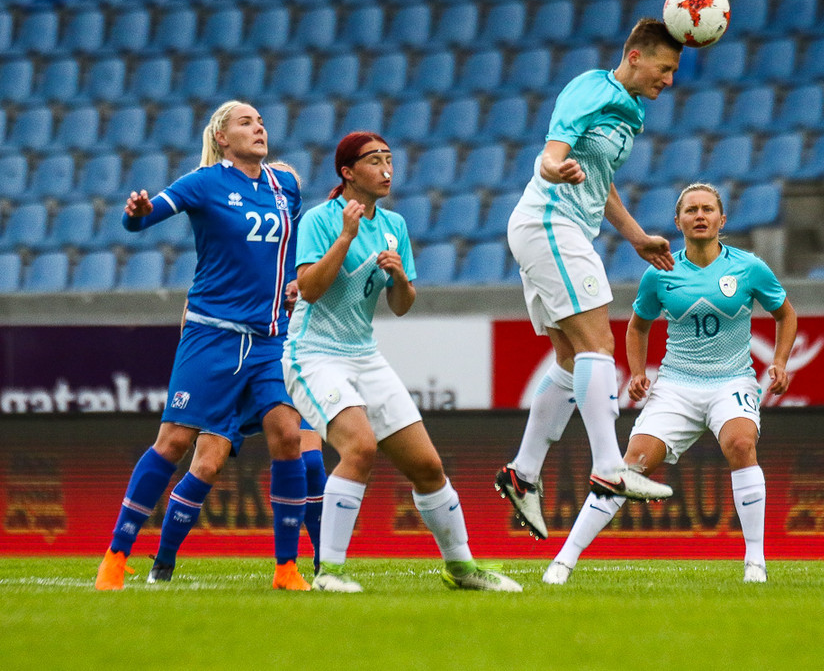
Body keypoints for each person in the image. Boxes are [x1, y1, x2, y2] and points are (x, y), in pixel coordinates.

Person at [282, 131, 522, 593]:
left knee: (428, 467)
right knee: (360, 448)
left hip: (364, 355)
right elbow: (308, 289)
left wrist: (399, 278)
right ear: (348, 173)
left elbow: (401, 305)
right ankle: (329, 572)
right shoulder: (320, 219)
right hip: (314, 355)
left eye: (389, 160)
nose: (387, 170)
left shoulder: (394, 225)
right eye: (374, 161)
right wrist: (346, 237)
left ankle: (462, 569)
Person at [95, 100, 315, 591]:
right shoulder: (203, 182)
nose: (258, 128)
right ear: (221, 137)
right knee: (175, 442)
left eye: (261, 122)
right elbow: (142, 219)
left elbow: (289, 250)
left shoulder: (286, 186)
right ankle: (116, 555)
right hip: (212, 333)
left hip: (270, 338)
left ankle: (286, 568)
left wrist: (296, 282)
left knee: (288, 437)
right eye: (245, 122)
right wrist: (137, 213)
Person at [542, 182, 798, 584]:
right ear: (678, 221)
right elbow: (637, 326)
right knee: (628, 467)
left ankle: (755, 562)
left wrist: (780, 362)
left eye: (708, 209)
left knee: (741, 444)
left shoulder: (748, 268)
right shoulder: (660, 272)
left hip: (731, 381)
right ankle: (563, 560)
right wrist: (638, 372)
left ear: (722, 219)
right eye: (691, 210)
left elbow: (786, 314)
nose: (700, 216)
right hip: (677, 386)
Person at [496, 18, 680, 541]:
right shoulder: (590, 89)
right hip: (550, 222)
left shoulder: (632, 109)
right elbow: (551, 155)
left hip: (558, 228)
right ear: (635, 56)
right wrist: (555, 168)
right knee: (599, 345)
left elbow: (602, 181)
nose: (669, 80)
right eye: (665, 68)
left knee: (570, 358)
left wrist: (636, 237)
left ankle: (522, 474)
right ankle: (609, 466)